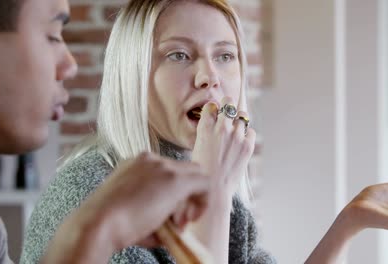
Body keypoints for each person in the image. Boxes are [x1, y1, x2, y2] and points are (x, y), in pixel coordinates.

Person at [21, 1, 388, 264]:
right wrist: (213, 188)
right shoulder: (91, 195)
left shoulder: (218, 193)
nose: (209, 76)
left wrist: (349, 222)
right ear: (131, 76)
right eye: (178, 55)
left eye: (225, 56)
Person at [0, 0, 214, 263]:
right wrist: (92, 233)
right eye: (52, 36)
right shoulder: (84, 189)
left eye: (226, 56)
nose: (70, 66)